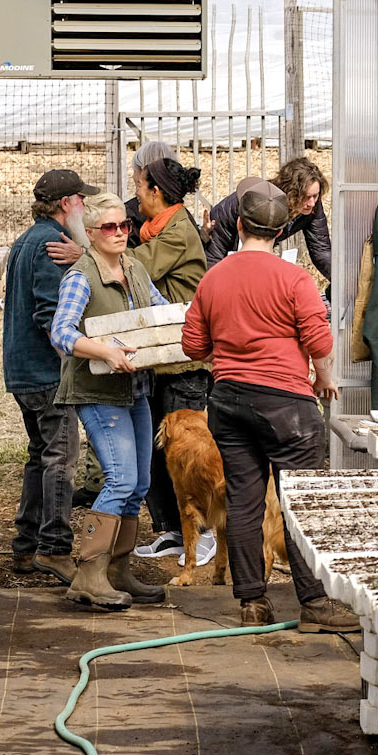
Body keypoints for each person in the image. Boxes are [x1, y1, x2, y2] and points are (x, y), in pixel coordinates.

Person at [180, 183, 361, 633]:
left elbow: (192, 346)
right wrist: (324, 378)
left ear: (238, 225)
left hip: (228, 401)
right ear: (282, 231)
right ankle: (316, 606)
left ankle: (252, 604)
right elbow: (318, 340)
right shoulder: (294, 279)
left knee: (243, 501)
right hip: (287, 407)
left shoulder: (214, 277)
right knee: (301, 503)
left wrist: (228, 355)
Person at [50, 192, 170, 611]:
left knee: (138, 484)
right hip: (98, 394)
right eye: (110, 227)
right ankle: (88, 574)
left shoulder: (135, 268)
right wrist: (104, 352)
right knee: (119, 480)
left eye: (125, 226)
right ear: (91, 231)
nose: (120, 233)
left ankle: (117, 571)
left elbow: (158, 313)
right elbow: (62, 332)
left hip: (134, 390)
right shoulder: (81, 276)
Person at [128, 148, 217, 568]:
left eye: (140, 187)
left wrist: (90, 254)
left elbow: (135, 267)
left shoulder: (178, 232)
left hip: (185, 364)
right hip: (165, 360)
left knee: (188, 455)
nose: (136, 195)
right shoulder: (157, 228)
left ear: (158, 192)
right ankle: (172, 532)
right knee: (157, 452)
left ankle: (208, 534)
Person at [2, 168, 91, 583]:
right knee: (61, 457)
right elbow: (50, 315)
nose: (86, 207)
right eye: (81, 199)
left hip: (23, 371)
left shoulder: (26, 240)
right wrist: (75, 360)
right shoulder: (52, 244)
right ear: (65, 204)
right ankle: (55, 547)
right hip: (46, 372)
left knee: (40, 456)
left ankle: (26, 547)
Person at [203, 157, 332, 289]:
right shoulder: (252, 205)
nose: (312, 203)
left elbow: (321, 249)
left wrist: (340, 281)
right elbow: (213, 257)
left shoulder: (311, 207)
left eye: (315, 196)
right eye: (305, 197)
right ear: (290, 193)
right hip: (227, 250)